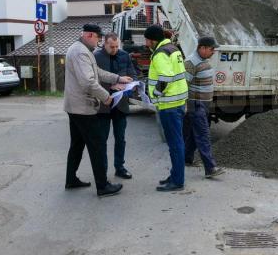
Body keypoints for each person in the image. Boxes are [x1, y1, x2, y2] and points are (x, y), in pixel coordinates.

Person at [64, 24, 133, 197]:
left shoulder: (82, 49)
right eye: (98, 38)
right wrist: (106, 97)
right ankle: (102, 186)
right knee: (97, 145)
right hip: (83, 107)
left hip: (75, 106)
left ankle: (71, 179)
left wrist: (118, 78)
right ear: (89, 35)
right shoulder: (81, 52)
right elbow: (88, 82)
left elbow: (98, 72)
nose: (99, 41)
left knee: (77, 145)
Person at [144, 25, 189, 192]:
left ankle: (177, 181)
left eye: (147, 39)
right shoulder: (173, 49)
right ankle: (175, 175)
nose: (146, 43)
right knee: (176, 143)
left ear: (153, 40)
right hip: (177, 103)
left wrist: (155, 94)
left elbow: (166, 77)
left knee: (175, 144)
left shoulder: (160, 54)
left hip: (168, 105)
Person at [94, 33, 137, 179]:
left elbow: (132, 74)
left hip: (121, 104)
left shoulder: (125, 55)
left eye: (117, 46)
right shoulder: (96, 57)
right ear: (104, 43)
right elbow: (93, 80)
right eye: (111, 46)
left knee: (120, 138)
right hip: (103, 105)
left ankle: (120, 167)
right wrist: (112, 84)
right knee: (102, 140)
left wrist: (131, 84)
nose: (114, 49)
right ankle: (102, 171)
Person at [183, 36, 225, 178]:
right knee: (203, 135)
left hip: (203, 104)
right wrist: (185, 106)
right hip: (195, 104)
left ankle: (186, 159)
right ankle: (210, 168)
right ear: (202, 48)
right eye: (212, 49)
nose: (213, 52)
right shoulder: (190, 62)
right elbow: (184, 86)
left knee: (193, 135)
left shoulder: (203, 61)